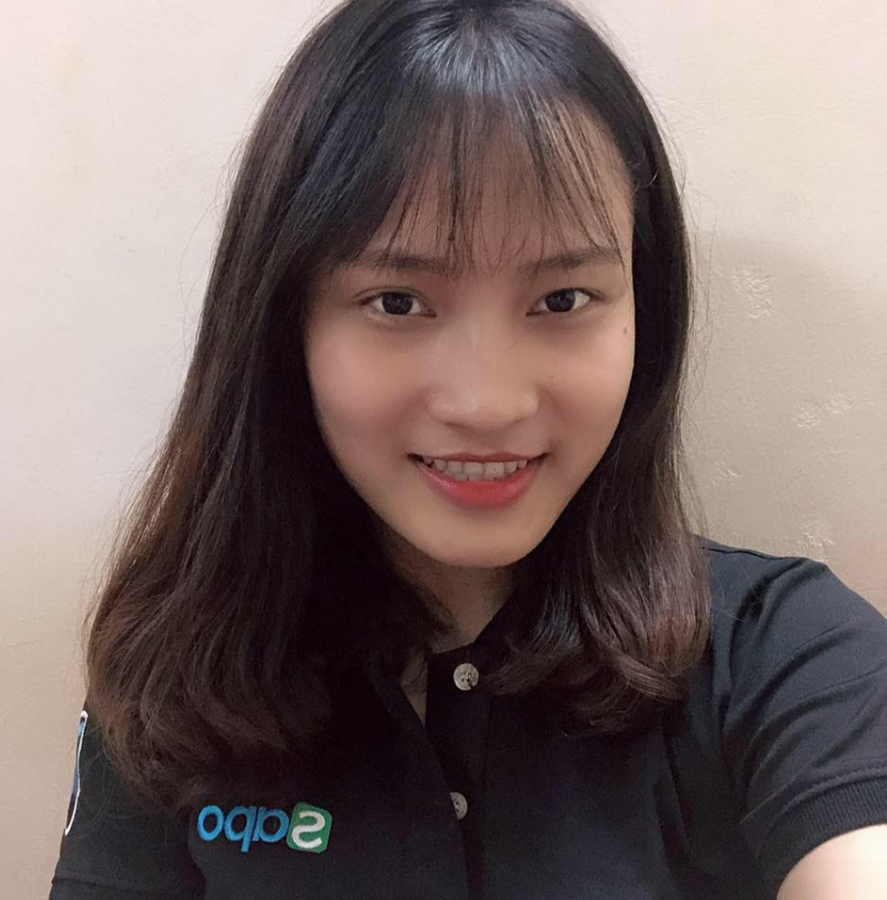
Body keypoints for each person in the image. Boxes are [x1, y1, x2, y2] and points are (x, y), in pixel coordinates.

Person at [48, 0, 887, 897]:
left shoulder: (786, 657)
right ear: (285, 323)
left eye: (562, 300)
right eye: (397, 302)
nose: (487, 405)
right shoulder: (182, 674)